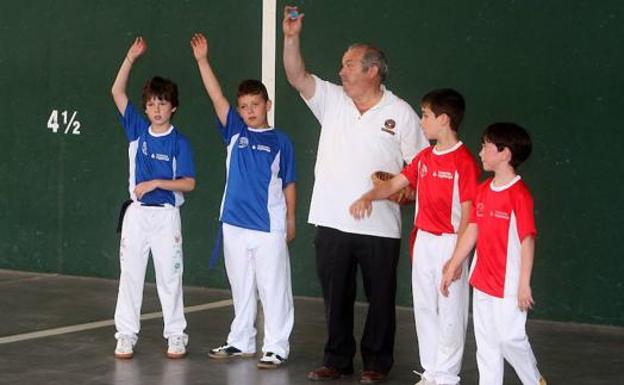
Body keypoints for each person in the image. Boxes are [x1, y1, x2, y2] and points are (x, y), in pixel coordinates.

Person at [282, 6, 428, 383]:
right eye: (342, 64)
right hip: (331, 219)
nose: (341, 70)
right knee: (336, 296)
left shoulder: (402, 114)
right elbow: (295, 76)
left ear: (372, 70)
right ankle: (337, 359)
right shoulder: (332, 100)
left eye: (349, 64)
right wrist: (291, 37)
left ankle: (377, 364)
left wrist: (405, 193)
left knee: (381, 298)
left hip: (381, 226)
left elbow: (420, 171)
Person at [351, 89, 480, 385]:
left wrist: (457, 258)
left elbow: (469, 213)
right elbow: (394, 184)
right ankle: (431, 371)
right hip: (423, 241)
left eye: (426, 115)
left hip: (450, 241)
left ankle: (447, 375)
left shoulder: (464, 162)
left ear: (444, 120)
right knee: (424, 307)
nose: (421, 122)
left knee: (450, 310)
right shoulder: (424, 158)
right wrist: (370, 195)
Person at [190, 32, 297, 369]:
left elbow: (289, 183)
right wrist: (202, 60)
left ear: (268, 105)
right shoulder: (235, 131)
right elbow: (216, 95)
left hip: (268, 226)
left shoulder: (281, 141)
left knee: (273, 288)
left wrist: (291, 219)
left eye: (256, 105)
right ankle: (241, 341)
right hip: (233, 223)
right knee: (241, 286)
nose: (250, 111)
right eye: (245, 106)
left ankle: (276, 346)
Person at [441, 123, 547, 385]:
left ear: (505, 153)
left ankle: (534, 380)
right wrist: (454, 264)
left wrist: (524, 284)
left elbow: (527, 241)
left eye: (486, 146)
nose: (480, 152)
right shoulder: (483, 190)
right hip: (482, 281)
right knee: (487, 346)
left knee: (510, 338)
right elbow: (473, 229)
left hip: (508, 283)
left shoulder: (519, 195)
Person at [111, 37, 196, 359]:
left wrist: (157, 182)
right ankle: (125, 335)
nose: (157, 109)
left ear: (172, 106)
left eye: (163, 103)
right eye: (151, 104)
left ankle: (176, 335)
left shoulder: (180, 142)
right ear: (145, 108)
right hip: (137, 216)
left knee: (170, 277)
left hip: (165, 217)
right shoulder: (136, 130)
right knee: (130, 277)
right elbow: (117, 92)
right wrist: (130, 58)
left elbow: (189, 183)